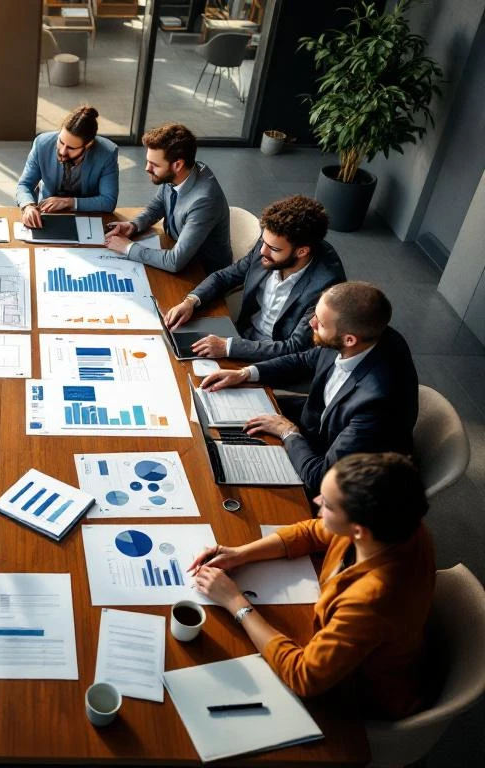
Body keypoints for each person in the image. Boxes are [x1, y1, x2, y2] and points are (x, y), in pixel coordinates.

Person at [189, 452, 435, 721]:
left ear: (358, 530)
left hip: (354, 698)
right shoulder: (393, 523)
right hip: (342, 652)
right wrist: (240, 554)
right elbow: (311, 532)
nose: (316, 503)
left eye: (327, 504)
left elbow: (304, 677)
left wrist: (236, 602)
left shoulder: (372, 601)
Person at [201, 281, 418, 493]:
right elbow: (304, 360)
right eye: (316, 314)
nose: (311, 323)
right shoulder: (362, 335)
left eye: (321, 324)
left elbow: (322, 479)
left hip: (345, 482)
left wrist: (288, 433)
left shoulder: (375, 402)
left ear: (349, 340)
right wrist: (245, 373)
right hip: (322, 422)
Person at [163, 195, 345, 360]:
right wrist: (190, 301)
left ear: (302, 251)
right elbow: (226, 276)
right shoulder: (268, 245)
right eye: (263, 242)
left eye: (274, 249)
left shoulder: (327, 286)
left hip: (273, 359)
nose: (262, 251)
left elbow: (294, 347)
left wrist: (228, 347)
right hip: (240, 333)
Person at [105, 122, 230, 274]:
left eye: (154, 164)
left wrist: (127, 247)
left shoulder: (204, 201)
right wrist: (134, 225)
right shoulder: (180, 174)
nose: (147, 169)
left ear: (177, 165)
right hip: (175, 246)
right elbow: (158, 206)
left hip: (201, 271)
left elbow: (174, 262)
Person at [15, 105, 119, 228]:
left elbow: (108, 201)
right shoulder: (42, 144)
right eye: (61, 142)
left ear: (88, 145)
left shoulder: (107, 153)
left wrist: (69, 202)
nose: (63, 151)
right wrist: (28, 206)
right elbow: (24, 185)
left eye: (71, 148)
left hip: (86, 216)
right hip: (47, 214)